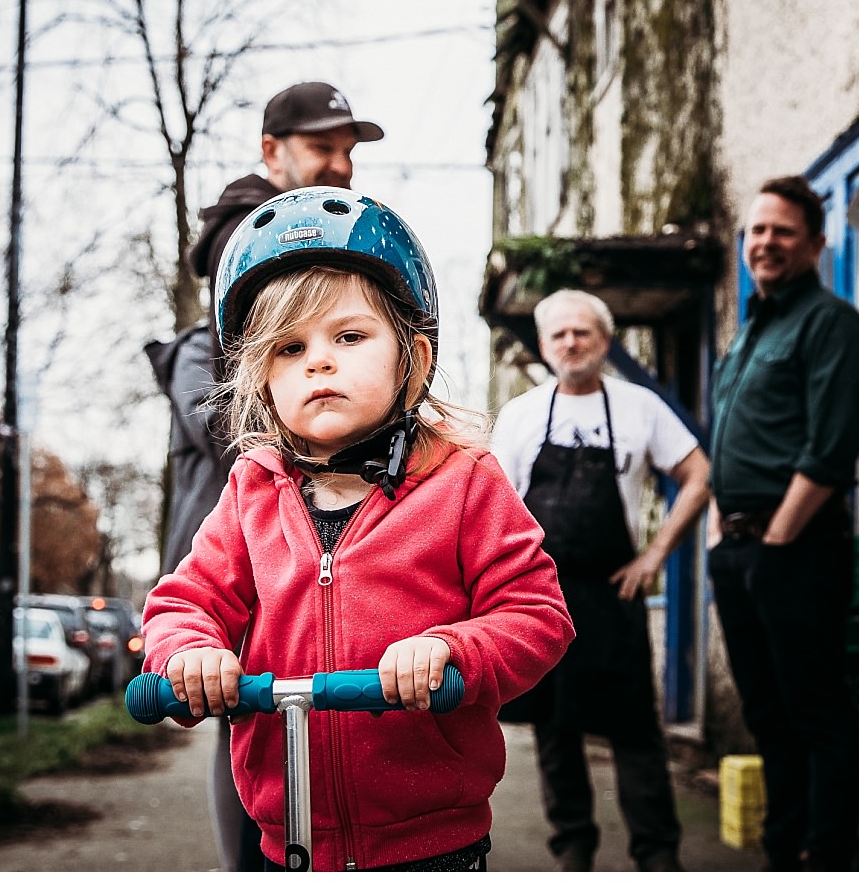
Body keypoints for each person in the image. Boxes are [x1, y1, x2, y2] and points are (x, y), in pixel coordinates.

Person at [142, 186, 574, 871]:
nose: (318, 361)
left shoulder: (464, 482)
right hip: (288, 843)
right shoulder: (252, 491)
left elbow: (536, 614)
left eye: (348, 336)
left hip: (431, 842)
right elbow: (187, 600)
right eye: (288, 348)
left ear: (414, 360)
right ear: (259, 381)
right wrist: (187, 654)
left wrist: (452, 651)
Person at [145, 80, 384, 870]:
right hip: (253, 536)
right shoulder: (261, 237)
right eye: (324, 147)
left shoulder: (310, 228)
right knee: (249, 717)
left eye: (349, 150)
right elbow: (248, 424)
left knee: (291, 712)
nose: (341, 165)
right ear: (271, 151)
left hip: (289, 528)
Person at [488, 290, 713, 872]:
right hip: (543, 599)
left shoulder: (640, 407)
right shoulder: (521, 415)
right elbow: (498, 511)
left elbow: (697, 475)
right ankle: (574, 855)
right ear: (544, 344)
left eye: (582, 332)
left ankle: (658, 858)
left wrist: (655, 555)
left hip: (615, 596)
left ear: (604, 341)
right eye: (559, 334)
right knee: (555, 734)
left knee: (634, 731)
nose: (571, 342)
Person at [706, 176, 859, 872]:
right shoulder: (750, 334)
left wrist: (776, 539)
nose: (764, 243)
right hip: (738, 548)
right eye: (756, 231)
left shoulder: (829, 322)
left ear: (814, 243)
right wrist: (722, 535)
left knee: (815, 709)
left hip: (795, 545)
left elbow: (830, 448)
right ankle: (784, 846)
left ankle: (826, 851)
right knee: (766, 714)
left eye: (781, 231)